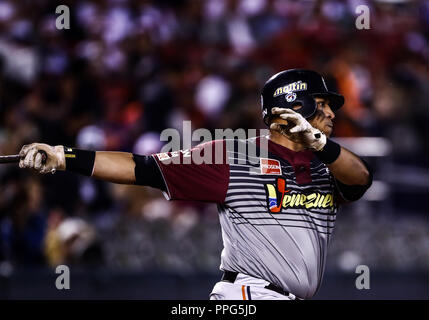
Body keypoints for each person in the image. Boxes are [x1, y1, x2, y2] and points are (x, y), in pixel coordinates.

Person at [18, 69, 372, 300]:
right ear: (293, 105)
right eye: (322, 104)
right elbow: (143, 168)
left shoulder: (330, 166)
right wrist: (65, 157)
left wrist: (318, 143)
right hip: (248, 297)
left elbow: (362, 179)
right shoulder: (234, 155)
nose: (331, 113)